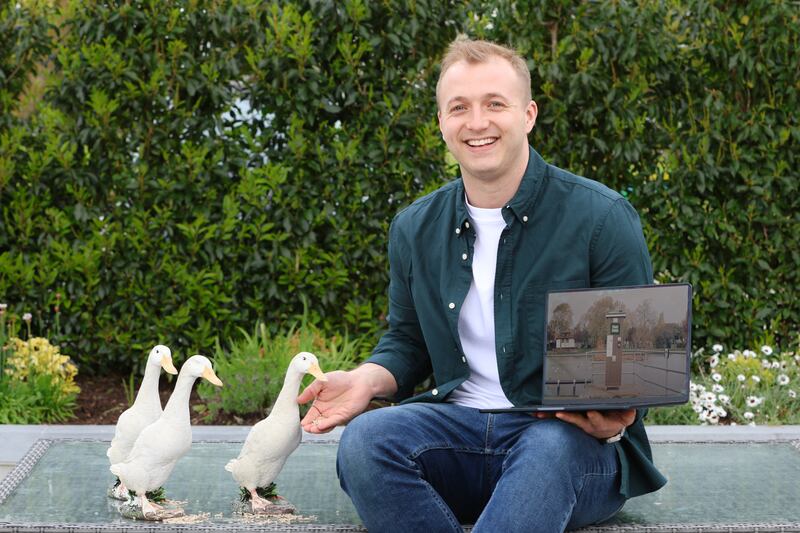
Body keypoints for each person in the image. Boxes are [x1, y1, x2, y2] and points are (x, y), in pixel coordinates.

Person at [297, 37, 667, 532]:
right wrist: (367, 379)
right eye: (459, 108)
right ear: (442, 124)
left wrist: (619, 412)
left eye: (495, 104)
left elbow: (631, 363)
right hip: (456, 434)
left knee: (548, 448)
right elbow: (406, 344)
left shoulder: (601, 218)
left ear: (529, 114)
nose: (477, 122)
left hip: (566, 445)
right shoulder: (413, 227)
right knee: (367, 441)